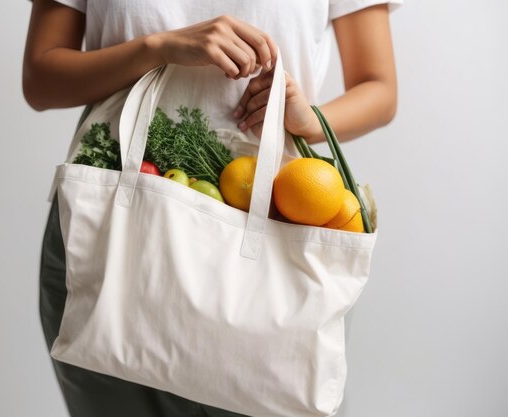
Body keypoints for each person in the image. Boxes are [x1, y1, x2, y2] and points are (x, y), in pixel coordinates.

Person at [23, 0, 401, 416]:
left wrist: (310, 121)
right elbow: (41, 78)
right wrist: (157, 48)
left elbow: (378, 88)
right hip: (112, 232)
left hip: (275, 232)